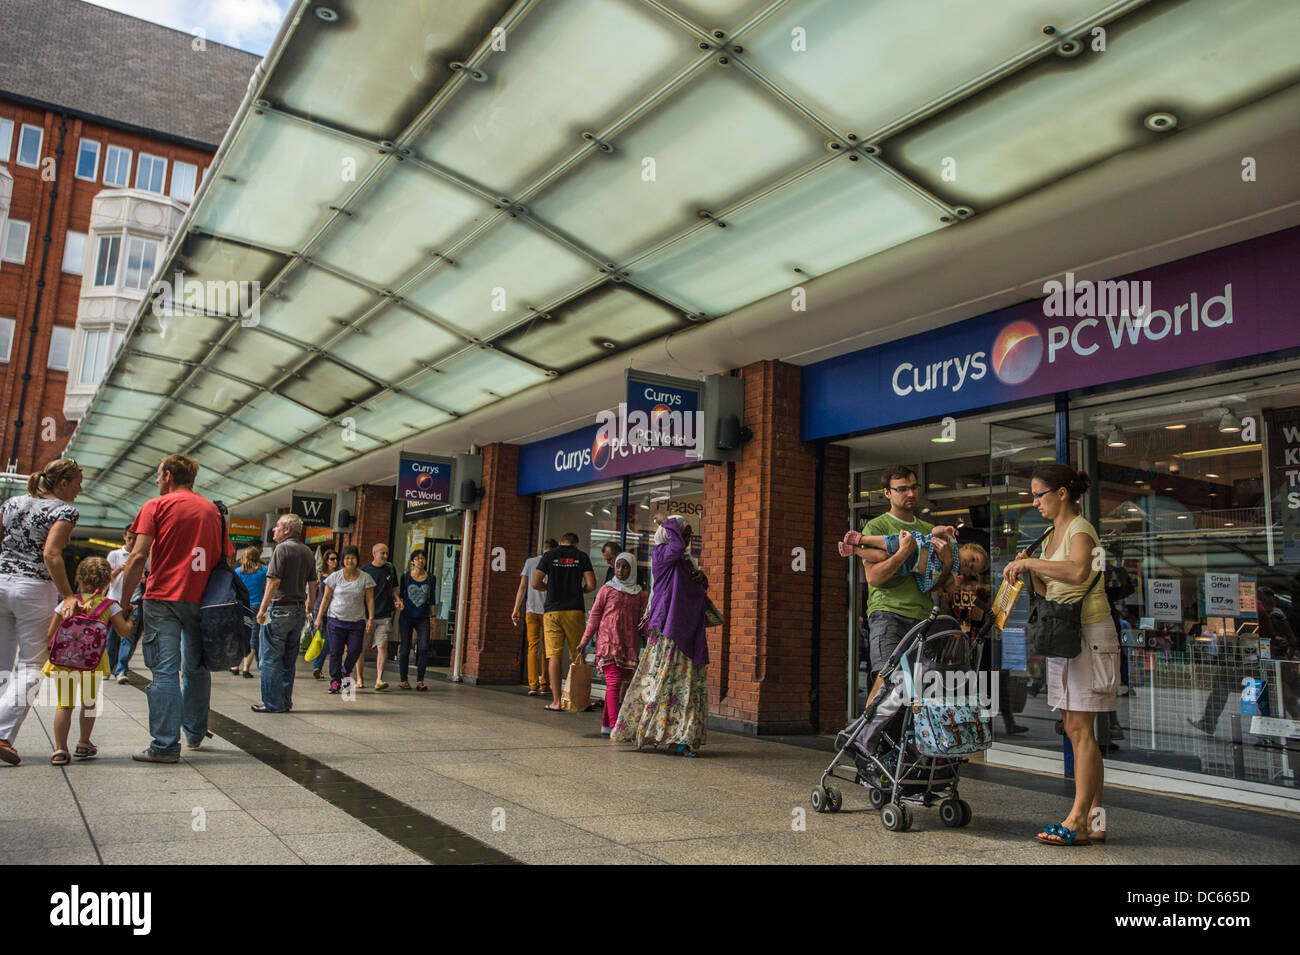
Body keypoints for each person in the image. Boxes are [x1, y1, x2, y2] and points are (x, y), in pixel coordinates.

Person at [1002, 463, 1117, 846]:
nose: (1035, 502)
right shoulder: (1051, 534)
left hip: (1087, 632)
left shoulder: (1081, 528)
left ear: (1063, 493)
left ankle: (1077, 819)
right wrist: (1028, 569)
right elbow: (1049, 586)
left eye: (1040, 494)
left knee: (1081, 730)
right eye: (1032, 495)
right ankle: (1095, 820)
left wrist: (1030, 562)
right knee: (1075, 728)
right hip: (1064, 634)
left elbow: (1079, 571)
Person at [119, 453, 234, 763]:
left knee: (165, 671)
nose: (157, 481)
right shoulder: (213, 510)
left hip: (162, 598)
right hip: (203, 601)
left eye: (158, 475)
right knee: (196, 668)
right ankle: (194, 733)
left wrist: (125, 601)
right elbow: (228, 557)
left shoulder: (155, 506)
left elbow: (138, 555)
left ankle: (165, 745)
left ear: (168, 475)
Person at [0, 458, 83, 766]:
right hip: (33, 588)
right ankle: (2, 733)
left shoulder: (12, 503)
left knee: (2, 662)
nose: (80, 488)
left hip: (1, 582)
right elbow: (51, 553)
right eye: (77, 482)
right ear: (63, 483)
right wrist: (67, 595)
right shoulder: (64, 511)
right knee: (32, 664)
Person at [612, 516, 709, 756]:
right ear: (668, 533)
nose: (686, 540)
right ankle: (649, 730)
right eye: (683, 533)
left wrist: (701, 579)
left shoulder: (686, 562)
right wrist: (668, 522)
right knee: (662, 682)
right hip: (668, 629)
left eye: (689, 536)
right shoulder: (662, 554)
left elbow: (694, 591)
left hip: (688, 631)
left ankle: (680, 738)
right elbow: (675, 546)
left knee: (686, 686)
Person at [858, 466, 953, 681]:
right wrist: (903, 553)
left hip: (924, 617)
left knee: (918, 690)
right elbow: (874, 578)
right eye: (902, 489)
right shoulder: (876, 528)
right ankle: (872, 716)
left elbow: (935, 584)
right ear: (887, 493)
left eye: (913, 488)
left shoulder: (929, 529)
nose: (910, 494)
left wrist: (947, 563)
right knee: (886, 684)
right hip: (888, 613)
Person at [41, 557, 132, 764]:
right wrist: (131, 619)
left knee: (64, 705)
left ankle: (60, 749)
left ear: (79, 578)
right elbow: (124, 633)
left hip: (65, 661)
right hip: (94, 662)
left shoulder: (68, 601)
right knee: (89, 703)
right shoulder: (110, 606)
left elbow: (49, 634)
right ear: (107, 581)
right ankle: (83, 743)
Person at [251, 514, 317, 713]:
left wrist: (262, 609)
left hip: (279, 608)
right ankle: (285, 700)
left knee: (270, 657)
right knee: (289, 658)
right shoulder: (307, 551)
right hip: (298, 610)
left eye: (277, 526)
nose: (274, 529)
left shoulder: (282, 549)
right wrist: (310, 606)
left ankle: (272, 703)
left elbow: (274, 581)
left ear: (287, 530)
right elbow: (313, 583)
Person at [580, 552, 647, 736]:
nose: (620, 570)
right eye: (618, 566)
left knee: (619, 683)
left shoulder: (639, 594)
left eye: (625, 567)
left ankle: (605, 725)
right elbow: (594, 616)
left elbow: (643, 621)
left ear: (632, 569)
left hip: (628, 645)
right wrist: (584, 640)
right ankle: (615, 726)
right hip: (608, 643)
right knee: (614, 682)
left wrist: (651, 641)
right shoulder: (607, 589)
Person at [531, 532, 596, 712]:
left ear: (560, 542)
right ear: (576, 544)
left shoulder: (549, 556)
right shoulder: (581, 556)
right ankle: (579, 700)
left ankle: (557, 701)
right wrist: (579, 590)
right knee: (578, 654)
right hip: (574, 609)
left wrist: (550, 588)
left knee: (554, 655)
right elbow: (591, 584)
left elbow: (535, 583)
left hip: (552, 611)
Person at [316, 545, 375, 695]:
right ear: (343, 560)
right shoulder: (335, 577)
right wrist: (319, 617)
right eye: (347, 558)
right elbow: (326, 598)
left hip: (357, 621)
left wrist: (370, 618)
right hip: (336, 620)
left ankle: (345, 671)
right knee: (335, 651)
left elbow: (369, 599)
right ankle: (335, 681)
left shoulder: (365, 578)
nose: (350, 560)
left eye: (353, 558)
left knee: (355, 650)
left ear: (357, 559)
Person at [839, 525, 958, 593]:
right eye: (973, 559)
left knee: (882, 556)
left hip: (910, 566)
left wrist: (955, 583)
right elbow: (934, 531)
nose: (969, 563)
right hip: (916, 546)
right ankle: (861, 539)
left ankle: (855, 551)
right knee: (892, 542)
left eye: (973, 567)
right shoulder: (952, 544)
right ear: (967, 548)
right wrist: (944, 530)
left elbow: (946, 587)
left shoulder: (953, 570)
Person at [512, 538, 557, 697]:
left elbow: (522, 586)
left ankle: (533, 685)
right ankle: (545, 684)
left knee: (533, 647)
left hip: (531, 610)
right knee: (547, 648)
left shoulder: (530, 562)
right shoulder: (554, 563)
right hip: (548, 611)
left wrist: (516, 608)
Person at [358, 543, 401, 691]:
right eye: (382, 553)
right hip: (365, 616)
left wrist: (398, 599)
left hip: (384, 615)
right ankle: (359, 678)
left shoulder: (390, 568)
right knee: (361, 649)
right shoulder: (364, 570)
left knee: (382, 646)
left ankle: (379, 679)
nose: (385, 556)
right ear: (374, 554)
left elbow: (394, 587)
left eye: (387, 553)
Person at [397, 551, 437, 690]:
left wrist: (433, 618)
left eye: (423, 558)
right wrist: (399, 604)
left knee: (424, 647)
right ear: (412, 561)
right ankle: (404, 680)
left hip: (423, 617)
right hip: (407, 616)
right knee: (405, 647)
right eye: (417, 558)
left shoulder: (431, 578)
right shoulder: (406, 576)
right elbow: (401, 595)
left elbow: (432, 599)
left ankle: (420, 680)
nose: (420, 561)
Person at [105, 527, 135, 680]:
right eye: (129, 538)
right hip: (113, 600)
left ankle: (121, 670)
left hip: (133, 600)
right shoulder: (115, 554)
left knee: (128, 637)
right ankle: (108, 667)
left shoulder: (142, 556)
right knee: (111, 637)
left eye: (135, 538)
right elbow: (106, 577)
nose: (132, 541)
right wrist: (119, 569)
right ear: (124, 537)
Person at [231, 546, 266, 679]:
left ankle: (235, 666)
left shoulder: (238, 571)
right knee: (253, 636)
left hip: (240, 606)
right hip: (257, 606)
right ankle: (246, 668)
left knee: (238, 634)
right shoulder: (263, 571)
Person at [309, 548, 338, 680]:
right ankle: (317, 668)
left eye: (336, 559)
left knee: (326, 643)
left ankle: (317, 668)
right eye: (332, 559)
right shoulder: (319, 575)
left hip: (332, 612)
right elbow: (312, 591)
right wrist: (308, 605)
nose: (335, 561)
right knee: (318, 640)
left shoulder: (338, 576)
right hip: (318, 610)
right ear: (326, 560)